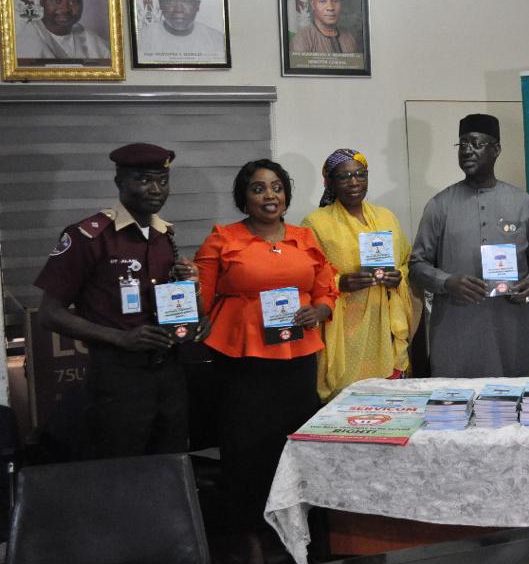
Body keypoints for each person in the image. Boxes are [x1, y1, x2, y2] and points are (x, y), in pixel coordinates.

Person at [194, 159, 337, 563]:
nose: (269, 195)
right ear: (244, 198)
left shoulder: (305, 238)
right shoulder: (223, 239)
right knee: (246, 452)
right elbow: (200, 300)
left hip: (297, 360)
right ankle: (251, 540)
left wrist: (319, 311)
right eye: (258, 189)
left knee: (295, 446)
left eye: (276, 187)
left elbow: (327, 290)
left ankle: (299, 535)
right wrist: (183, 284)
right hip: (243, 364)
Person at [34, 143, 197, 458]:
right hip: (118, 377)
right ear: (119, 181)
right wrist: (120, 337)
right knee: (121, 470)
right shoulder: (88, 237)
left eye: (162, 181)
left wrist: (190, 292)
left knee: (171, 464)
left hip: (169, 374)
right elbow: (50, 314)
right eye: (143, 179)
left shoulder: (164, 236)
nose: (155, 189)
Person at [410, 113, 529, 376]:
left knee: (515, 395)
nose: (467, 151)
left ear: (496, 149)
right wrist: (447, 282)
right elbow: (417, 265)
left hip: (512, 327)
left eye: (476, 144)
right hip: (456, 327)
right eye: (462, 144)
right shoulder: (440, 204)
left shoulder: (523, 203)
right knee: (455, 395)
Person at [302, 148, 415, 401]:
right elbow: (306, 277)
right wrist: (339, 282)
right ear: (329, 182)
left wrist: (399, 276)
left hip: (387, 323)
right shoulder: (316, 223)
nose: (354, 182)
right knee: (349, 403)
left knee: (391, 403)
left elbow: (407, 260)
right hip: (346, 330)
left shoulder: (386, 216)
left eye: (360, 174)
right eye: (344, 176)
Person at [16, 0, 111, 60]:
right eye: (56, 0)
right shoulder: (23, 42)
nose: (65, 9)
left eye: (73, 1)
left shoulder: (98, 46)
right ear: (42, 0)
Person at [137, 0, 225, 62]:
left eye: (186, 0)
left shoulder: (217, 41)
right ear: (161, 4)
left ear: (197, 5)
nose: (178, 9)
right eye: (170, 1)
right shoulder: (142, 39)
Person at [289, 0, 359, 54]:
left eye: (335, 0)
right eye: (322, 1)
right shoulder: (302, 39)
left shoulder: (348, 37)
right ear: (313, 5)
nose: (330, 7)